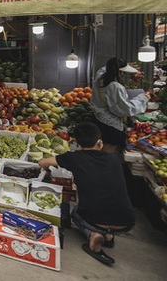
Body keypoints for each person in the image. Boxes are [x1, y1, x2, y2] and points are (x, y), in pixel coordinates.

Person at [39, 122, 135, 265]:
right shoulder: (114, 159)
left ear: (76, 142)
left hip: (95, 219)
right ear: (100, 142)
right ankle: (108, 236)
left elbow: (43, 163)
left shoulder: (74, 158)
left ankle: (94, 235)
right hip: (127, 222)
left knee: (74, 212)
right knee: (108, 202)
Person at [90, 58, 150, 153]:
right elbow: (125, 109)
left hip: (98, 119)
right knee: (109, 149)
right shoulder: (115, 87)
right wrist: (143, 97)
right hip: (111, 125)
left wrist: (125, 65)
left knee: (102, 146)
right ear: (120, 73)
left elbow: (104, 69)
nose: (124, 75)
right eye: (123, 72)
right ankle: (110, 165)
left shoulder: (100, 77)